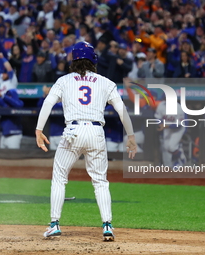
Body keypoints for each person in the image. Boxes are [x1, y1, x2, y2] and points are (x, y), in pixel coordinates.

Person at [35, 41, 137, 241]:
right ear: (93, 60)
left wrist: (39, 129)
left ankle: (54, 223)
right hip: (96, 132)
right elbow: (121, 110)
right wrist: (131, 136)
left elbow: (48, 103)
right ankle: (107, 226)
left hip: (72, 131)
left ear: (73, 60)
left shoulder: (64, 80)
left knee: (59, 177)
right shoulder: (106, 82)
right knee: (100, 182)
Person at [155, 94, 186, 167]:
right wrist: (160, 124)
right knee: (166, 148)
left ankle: (181, 156)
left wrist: (165, 126)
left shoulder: (178, 108)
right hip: (167, 128)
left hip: (178, 129)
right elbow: (158, 118)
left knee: (171, 147)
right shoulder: (161, 105)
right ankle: (177, 159)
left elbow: (178, 124)